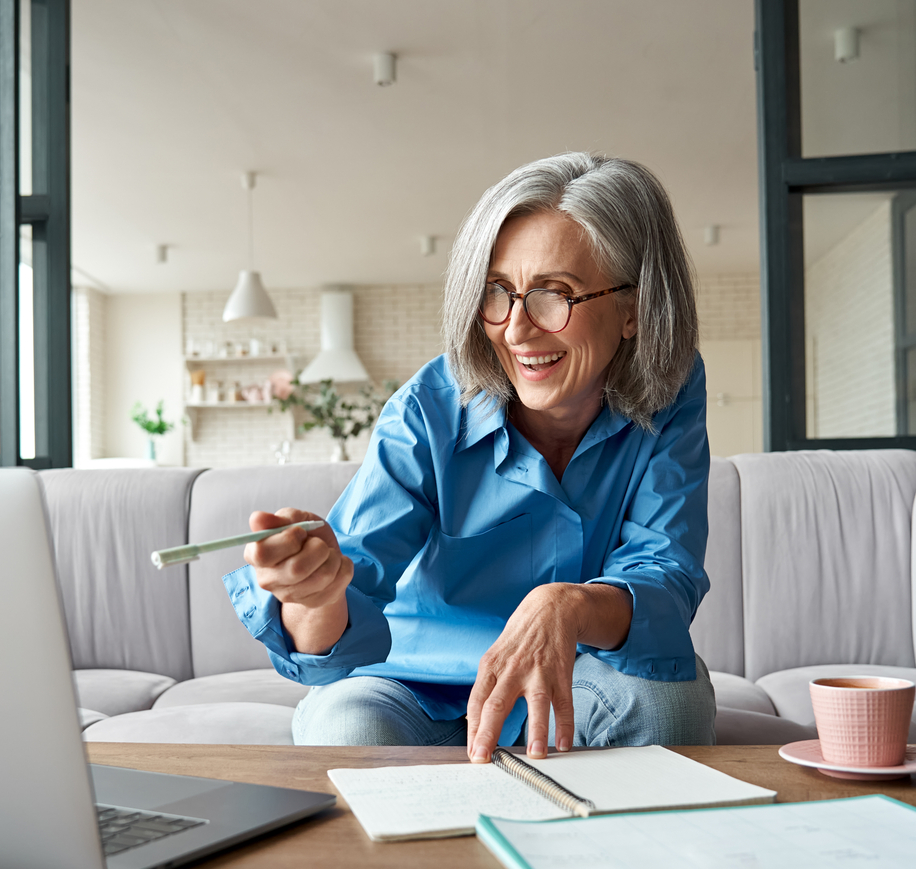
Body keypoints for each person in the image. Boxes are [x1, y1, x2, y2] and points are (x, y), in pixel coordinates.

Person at [223, 152, 715, 763]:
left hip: (575, 678)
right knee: (345, 725)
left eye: (553, 295)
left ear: (634, 309)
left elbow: (664, 572)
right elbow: (348, 602)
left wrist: (567, 604)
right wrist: (314, 595)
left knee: (673, 700)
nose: (515, 330)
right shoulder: (426, 410)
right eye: (497, 294)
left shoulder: (669, 391)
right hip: (407, 685)